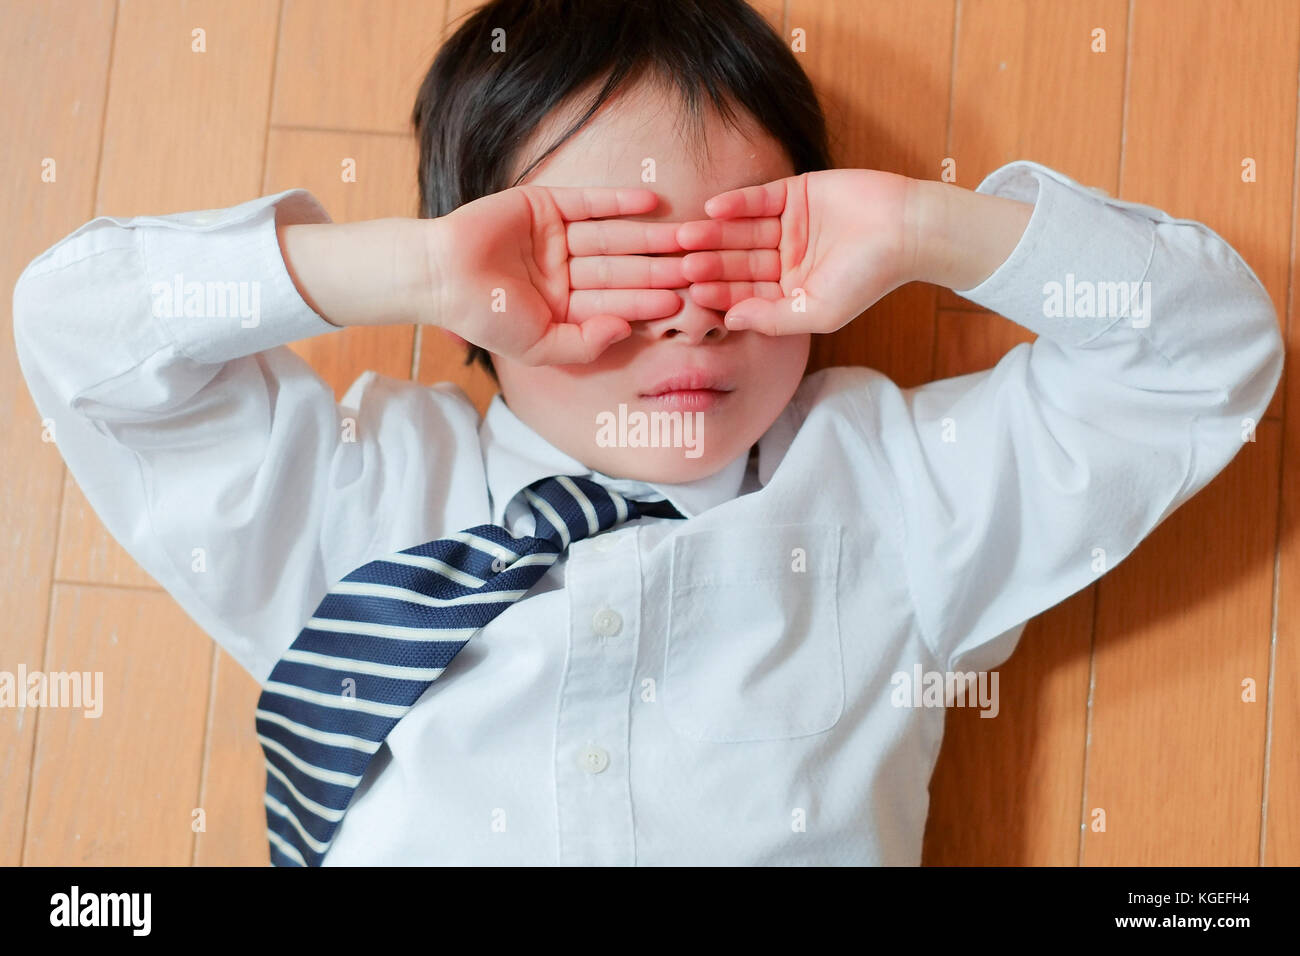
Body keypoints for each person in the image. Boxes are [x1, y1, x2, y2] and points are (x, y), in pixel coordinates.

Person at [12, 0, 1283, 865]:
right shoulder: (357, 492)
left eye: (739, 246)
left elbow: (1206, 354)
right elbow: (76, 329)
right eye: (607, 258)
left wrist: (918, 231)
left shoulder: (897, 494)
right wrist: (398, 267)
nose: (684, 311)